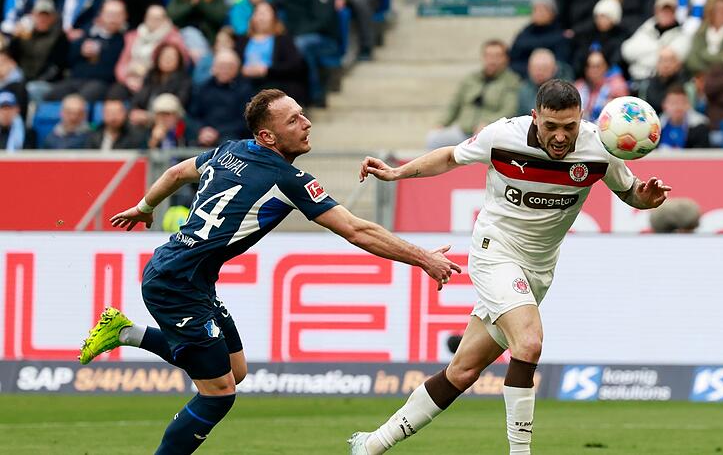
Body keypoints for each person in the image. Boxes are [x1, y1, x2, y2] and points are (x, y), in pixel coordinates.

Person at [78, 88, 461, 455]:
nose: (307, 123)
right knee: (219, 394)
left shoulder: (229, 150)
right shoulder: (286, 179)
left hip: (191, 278)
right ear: (267, 136)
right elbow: (357, 230)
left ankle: (125, 331)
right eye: (294, 120)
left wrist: (145, 206)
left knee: (234, 370)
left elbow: (178, 172)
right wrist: (424, 258)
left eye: (303, 115)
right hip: (174, 285)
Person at [350, 79, 671, 455]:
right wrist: (396, 173)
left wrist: (645, 200)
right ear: (535, 117)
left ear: (581, 119)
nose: (560, 136)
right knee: (529, 342)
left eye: (569, 126)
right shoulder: (503, 136)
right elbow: (451, 156)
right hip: (495, 252)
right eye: (551, 126)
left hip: (538, 270)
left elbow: (630, 191)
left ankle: (371, 445)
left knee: (463, 372)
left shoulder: (600, 146)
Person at [426, 39, 521, 149]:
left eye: (497, 56)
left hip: (490, 135)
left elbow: (509, 110)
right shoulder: (470, 79)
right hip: (463, 132)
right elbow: (454, 105)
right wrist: (442, 123)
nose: (492, 60)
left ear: (505, 59)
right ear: (483, 57)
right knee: (434, 138)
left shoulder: (512, 82)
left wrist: (488, 123)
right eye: (488, 56)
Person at [188, 49, 254, 147]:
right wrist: (201, 130)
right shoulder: (203, 88)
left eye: (229, 67)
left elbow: (245, 121)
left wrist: (218, 132)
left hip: (232, 136)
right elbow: (193, 115)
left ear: (237, 69)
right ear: (214, 68)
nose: (225, 70)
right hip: (204, 133)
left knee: (228, 144)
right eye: (221, 66)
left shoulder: (245, 90)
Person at [621, 0, 691, 83]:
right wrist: (659, 47)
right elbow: (626, 51)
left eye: (669, 10)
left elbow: (668, 63)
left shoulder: (682, 36)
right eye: (663, 10)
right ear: (656, 11)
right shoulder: (646, 28)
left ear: (675, 12)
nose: (666, 14)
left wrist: (641, 56)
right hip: (635, 81)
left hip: (662, 83)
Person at [509, 0, 570, 79]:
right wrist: (532, 71)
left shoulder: (561, 35)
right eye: (536, 10)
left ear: (552, 13)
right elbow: (513, 60)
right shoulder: (524, 34)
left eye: (543, 9)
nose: (539, 13)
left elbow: (563, 64)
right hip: (524, 79)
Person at [574, 50, 629, 122]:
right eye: (590, 66)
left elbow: (624, 113)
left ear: (606, 67)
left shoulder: (616, 85)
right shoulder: (579, 86)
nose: (594, 70)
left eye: (597, 66)